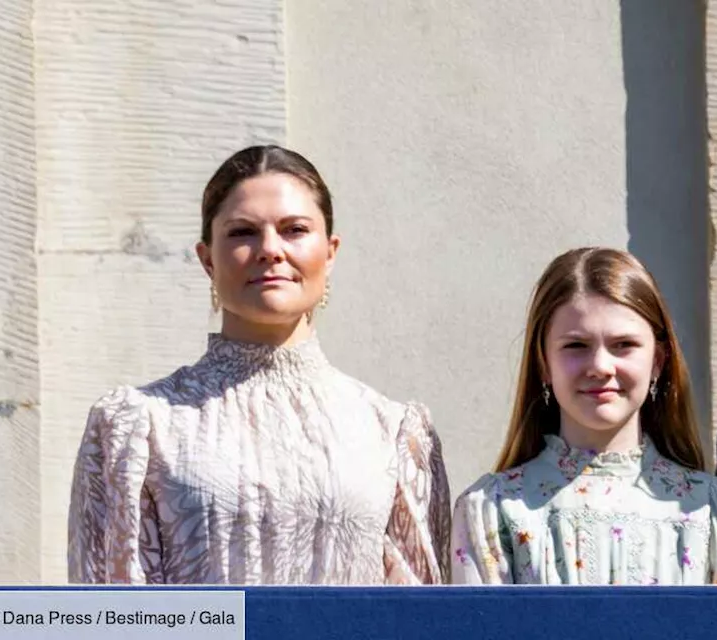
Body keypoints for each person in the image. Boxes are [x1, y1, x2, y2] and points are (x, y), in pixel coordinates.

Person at [67, 144, 450, 585]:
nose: (270, 249)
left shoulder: (392, 431)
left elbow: (423, 615)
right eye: (243, 232)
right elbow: (110, 616)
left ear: (330, 251)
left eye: (294, 230)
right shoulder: (137, 426)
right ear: (207, 259)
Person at [450, 247, 717, 585]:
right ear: (543, 363)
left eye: (623, 344)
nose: (600, 366)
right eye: (576, 346)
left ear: (658, 361)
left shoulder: (715, 513)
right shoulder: (493, 512)